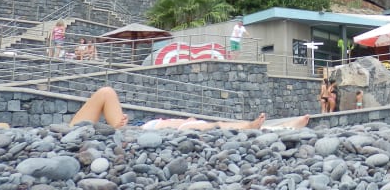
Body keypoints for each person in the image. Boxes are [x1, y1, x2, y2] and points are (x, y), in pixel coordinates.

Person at [70, 86, 310, 130]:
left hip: (142, 128)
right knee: (206, 126)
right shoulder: (73, 132)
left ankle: (280, 127)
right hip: (142, 129)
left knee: (201, 126)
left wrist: (117, 125)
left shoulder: (73, 131)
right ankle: (270, 127)